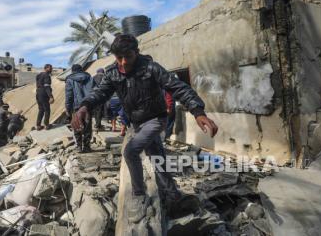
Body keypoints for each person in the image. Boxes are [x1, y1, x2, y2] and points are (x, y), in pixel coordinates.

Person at [71, 34, 218, 222]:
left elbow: (177, 87)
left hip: (156, 119)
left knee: (130, 152)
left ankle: (139, 195)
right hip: (136, 123)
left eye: (128, 57)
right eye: (118, 58)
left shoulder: (151, 68)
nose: (123, 63)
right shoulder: (112, 73)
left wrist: (198, 111)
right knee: (157, 157)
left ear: (137, 52)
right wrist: (84, 107)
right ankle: (173, 198)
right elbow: (99, 93)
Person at [65, 64, 94, 153]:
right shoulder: (89, 78)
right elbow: (95, 91)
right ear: (82, 70)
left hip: (76, 107)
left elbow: (69, 95)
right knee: (88, 126)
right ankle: (87, 146)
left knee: (76, 125)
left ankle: (79, 147)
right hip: (88, 105)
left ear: (73, 71)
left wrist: (67, 107)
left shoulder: (70, 80)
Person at [36, 64, 54, 130]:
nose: (51, 69)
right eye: (50, 68)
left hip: (38, 93)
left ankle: (38, 125)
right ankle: (46, 125)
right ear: (46, 68)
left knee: (41, 109)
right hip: (44, 94)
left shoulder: (39, 75)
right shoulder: (47, 75)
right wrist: (51, 96)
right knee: (47, 110)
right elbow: (47, 86)